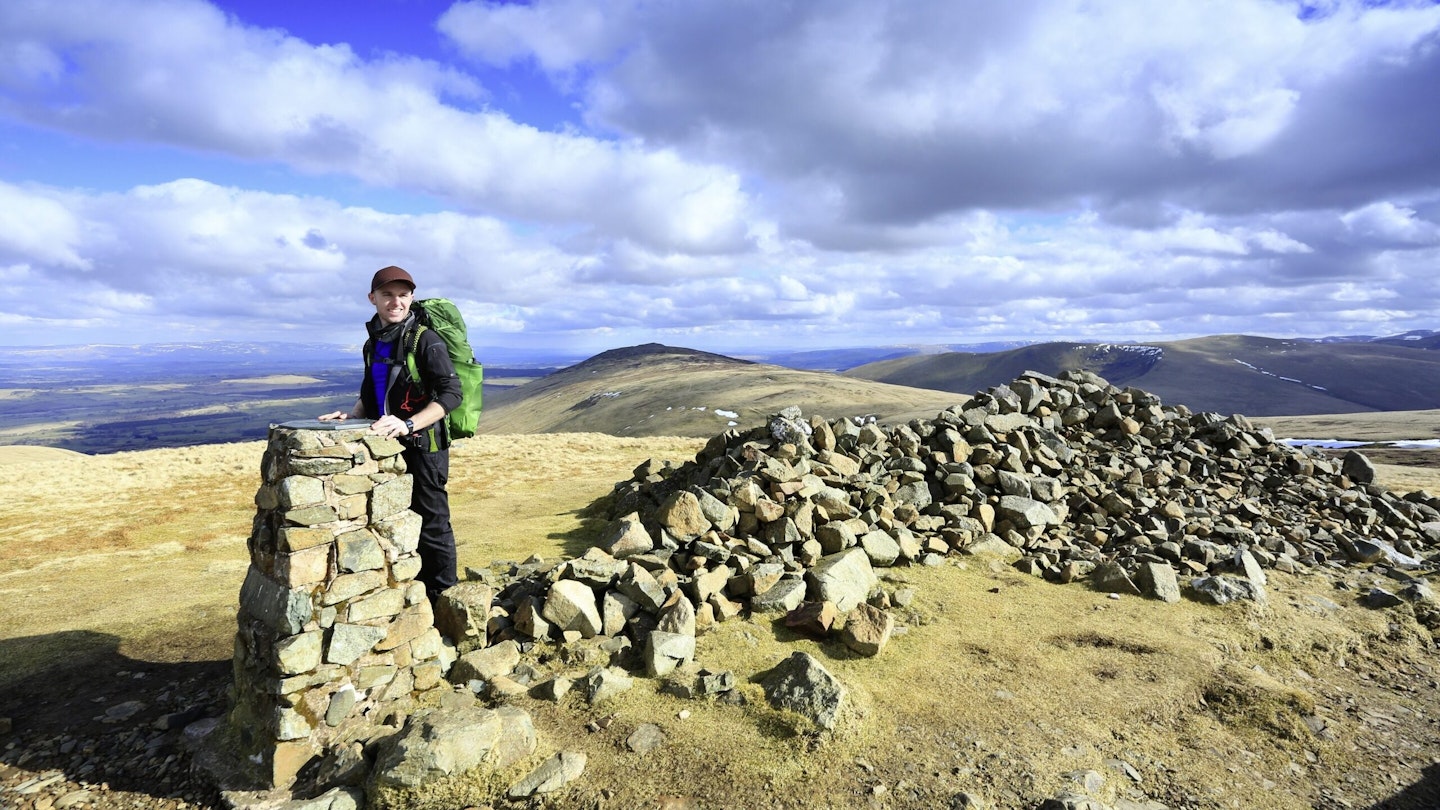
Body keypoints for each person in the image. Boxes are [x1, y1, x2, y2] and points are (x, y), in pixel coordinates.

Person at [320, 265, 463, 603]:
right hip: (388, 447)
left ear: (411, 298)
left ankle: (444, 597)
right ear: (373, 298)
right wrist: (352, 417)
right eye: (387, 295)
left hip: (424, 445)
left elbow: (452, 394)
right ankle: (411, 590)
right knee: (395, 518)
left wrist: (409, 423)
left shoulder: (425, 340)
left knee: (432, 521)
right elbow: (373, 391)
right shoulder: (374, 342)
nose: (395, 302)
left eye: (402, 295)